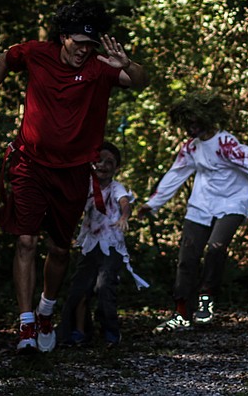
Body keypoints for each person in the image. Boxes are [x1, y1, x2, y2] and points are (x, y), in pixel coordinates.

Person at [0, 0, 149, 354]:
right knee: (25, 241)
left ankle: (47, 309)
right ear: (63, 37)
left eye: (91, 45)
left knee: (59, 248)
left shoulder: (100, 67)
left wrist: (127, 64)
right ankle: (25, 326)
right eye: (80, 42)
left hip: (72, 172)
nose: (85, 50)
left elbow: (140, 82)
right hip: (30, 164)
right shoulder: (37, 54)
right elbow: (6, 58)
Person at [138, 91, 248, 330]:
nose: (189, 130)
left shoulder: (227, 145)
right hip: (201, 204)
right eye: (186, 125)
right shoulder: (191, 148)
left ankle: (206, 299)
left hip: (232, 202)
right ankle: (180, 314)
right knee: (187, 258)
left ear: (206, 120)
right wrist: (152, 204)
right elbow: (175, 174)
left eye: (193, 124)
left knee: (216, 248)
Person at [57, 141, 149, 348]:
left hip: (112, 247)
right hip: (90, 245)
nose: (103, 165)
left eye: (110, 162)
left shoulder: (116, 187)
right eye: (99, 160)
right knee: (80, 288)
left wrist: (125, 217)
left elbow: (125, 202)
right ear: (91, 163)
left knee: (105, 285)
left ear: (117, 168)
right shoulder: (86, 186)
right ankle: (79, 331)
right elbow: (73, 207)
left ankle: (111, 332)